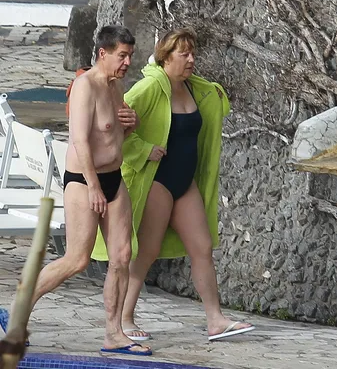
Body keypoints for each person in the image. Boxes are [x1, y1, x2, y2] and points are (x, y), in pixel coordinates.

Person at [92, 27, 255, 342]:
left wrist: (216, 94)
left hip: (184, 180)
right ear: (166, 58)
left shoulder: (194, 88)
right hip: (158, 179)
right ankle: (124, 318)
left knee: (202, 247)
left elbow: (214, 108)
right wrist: (143, 150)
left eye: (193, 53)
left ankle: (216, 320)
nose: (192, 59)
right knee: (146, 251)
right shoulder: (149, 88)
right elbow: (110, 129)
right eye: (185, 54)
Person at [0, 25, 152, 356]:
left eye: (130, 55)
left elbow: (111, 137)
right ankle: (15, 312)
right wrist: (95, 187)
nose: (128, 62)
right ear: (103, 53)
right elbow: (80, 140)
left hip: (114, 180)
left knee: (122, 256)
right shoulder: (85, 87)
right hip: (85, 181)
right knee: (77, 259)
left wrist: (133, 126)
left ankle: (114, 333)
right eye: (122, 55)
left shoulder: (116, 86)